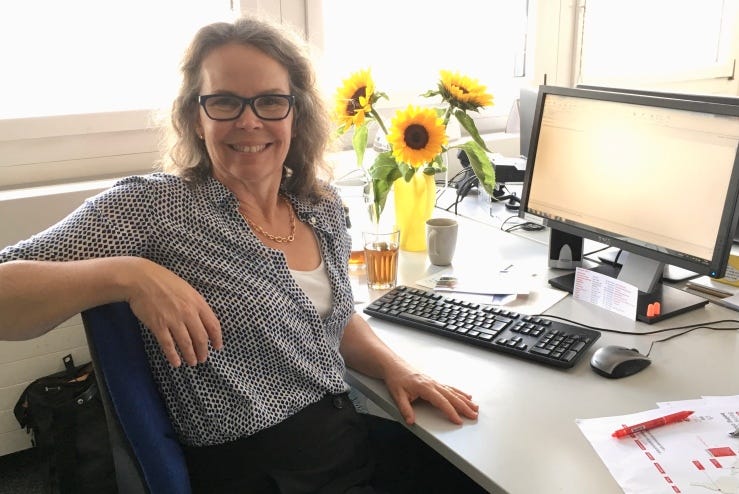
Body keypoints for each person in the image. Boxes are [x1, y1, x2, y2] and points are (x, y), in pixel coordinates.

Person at [0, 16, 485, 494]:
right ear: (196, 115)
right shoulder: (153, 207)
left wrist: (396, 366)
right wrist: (127, 275)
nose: (249, 120)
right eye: (226, 102)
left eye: (271, 101)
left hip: (345, 444)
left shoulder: (320, 207)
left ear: (296, 113)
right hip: (256, 473)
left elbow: (331, 318)